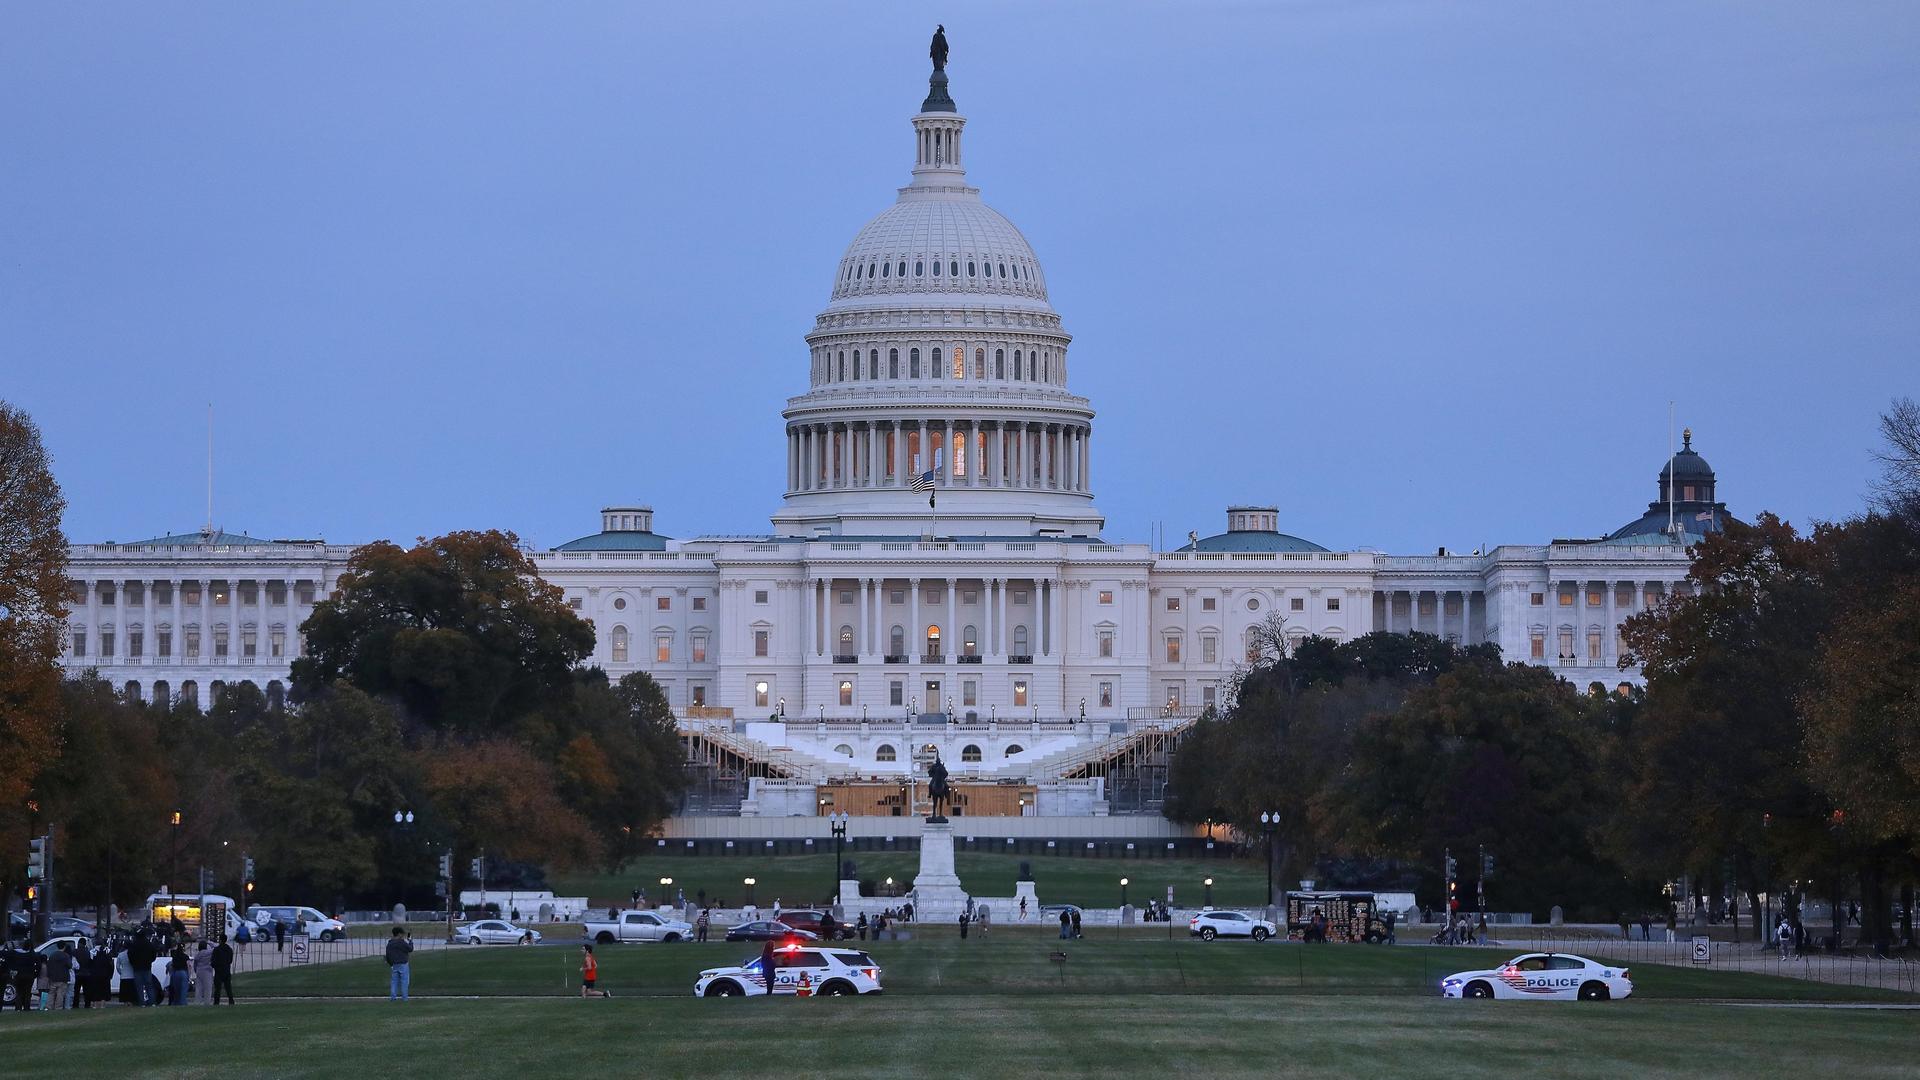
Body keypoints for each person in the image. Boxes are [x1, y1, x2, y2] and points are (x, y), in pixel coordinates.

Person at [385, 927, 413, 1002]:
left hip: (394, 965)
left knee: (394, 982)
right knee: (404, 982)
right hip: (403, 964)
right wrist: (410, 941)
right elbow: (410, 949)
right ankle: (404, 998)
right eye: (402, 934)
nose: (403, 935)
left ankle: (393, 998)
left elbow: (387, 955)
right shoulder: (401, 942)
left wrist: (391, 964)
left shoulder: (390, 943)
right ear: (399, 934)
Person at [44, 942, 73, 1011]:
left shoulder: (52, 955)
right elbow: (70, 965)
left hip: (53, 977)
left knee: (51, 993)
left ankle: (48, 1007)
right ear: (64, 947)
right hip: (63, 977)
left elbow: (49, 965)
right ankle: (58, 1007)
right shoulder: (66, 955)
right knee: (60, 994)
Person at [211, 936, 235, 1005]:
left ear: (220, 940)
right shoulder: (229, 949)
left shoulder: (216, 949)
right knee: (228, 987)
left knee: (218, 989)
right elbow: (230, 960)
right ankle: (231, 1001)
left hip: (218, 971)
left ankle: (216, 1002)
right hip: (227, 970)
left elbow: (213, 961)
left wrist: (214, 965)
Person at [192, 941, 215, 1005]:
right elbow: (215, 948)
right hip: (207, 971)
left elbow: (195, 964)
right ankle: (207, 1002)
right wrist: (210, 943)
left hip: (199, 971)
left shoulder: (198, 954)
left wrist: (196, 971)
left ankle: (197, 1002)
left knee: (199, 988)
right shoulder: (209, 952)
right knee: (207, 987)